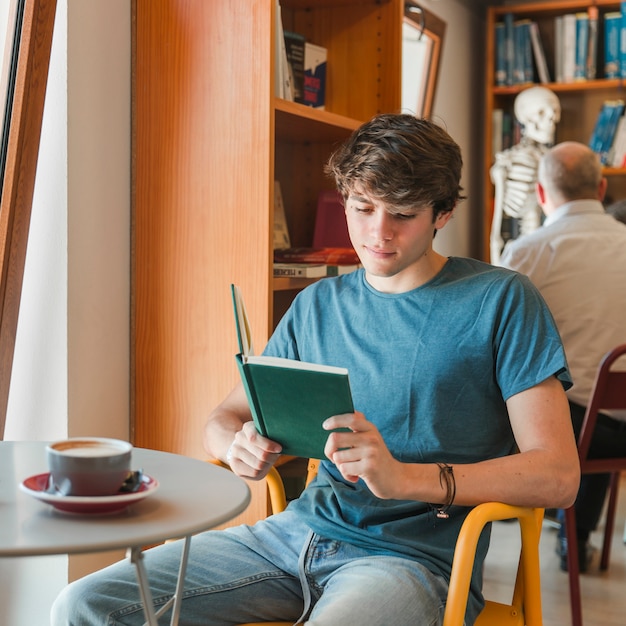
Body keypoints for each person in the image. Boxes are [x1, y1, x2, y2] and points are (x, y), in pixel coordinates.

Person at [51, 114, 579, 626]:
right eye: (362, 207)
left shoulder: (501, 300)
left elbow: (558, 476)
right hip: (290, 536)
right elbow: (227, 415)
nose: (378, 233)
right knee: (83, 605)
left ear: (442, 213)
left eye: (402, 213)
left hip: (412, 562)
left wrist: (403, 479)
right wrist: (234, 444)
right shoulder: (317, 304)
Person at [499, 141, 626, 573]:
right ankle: (576, 535)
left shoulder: (527, 252)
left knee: (545, 395)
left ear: (539, 193)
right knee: (590, 404)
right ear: (602, 187)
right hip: (613, 426)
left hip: (570, 433)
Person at [490, 86, 561, 265]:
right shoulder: (511, 160)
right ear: (526, 118)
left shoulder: (548, 156)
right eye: (541, 112)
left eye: (554, 112)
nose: (551, 119)